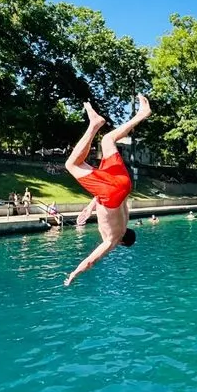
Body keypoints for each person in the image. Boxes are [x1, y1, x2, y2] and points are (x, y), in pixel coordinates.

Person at [63, 96, 151, 286]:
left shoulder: (125, 219)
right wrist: (74, 274)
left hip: (124, 185)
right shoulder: (112, 240)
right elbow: (91, 261)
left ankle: (141, 115)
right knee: (71, 165)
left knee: (107, 139)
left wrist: (89, 208)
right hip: (110, 193)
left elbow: (115, 199)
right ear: (122, 242)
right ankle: (94, 124)